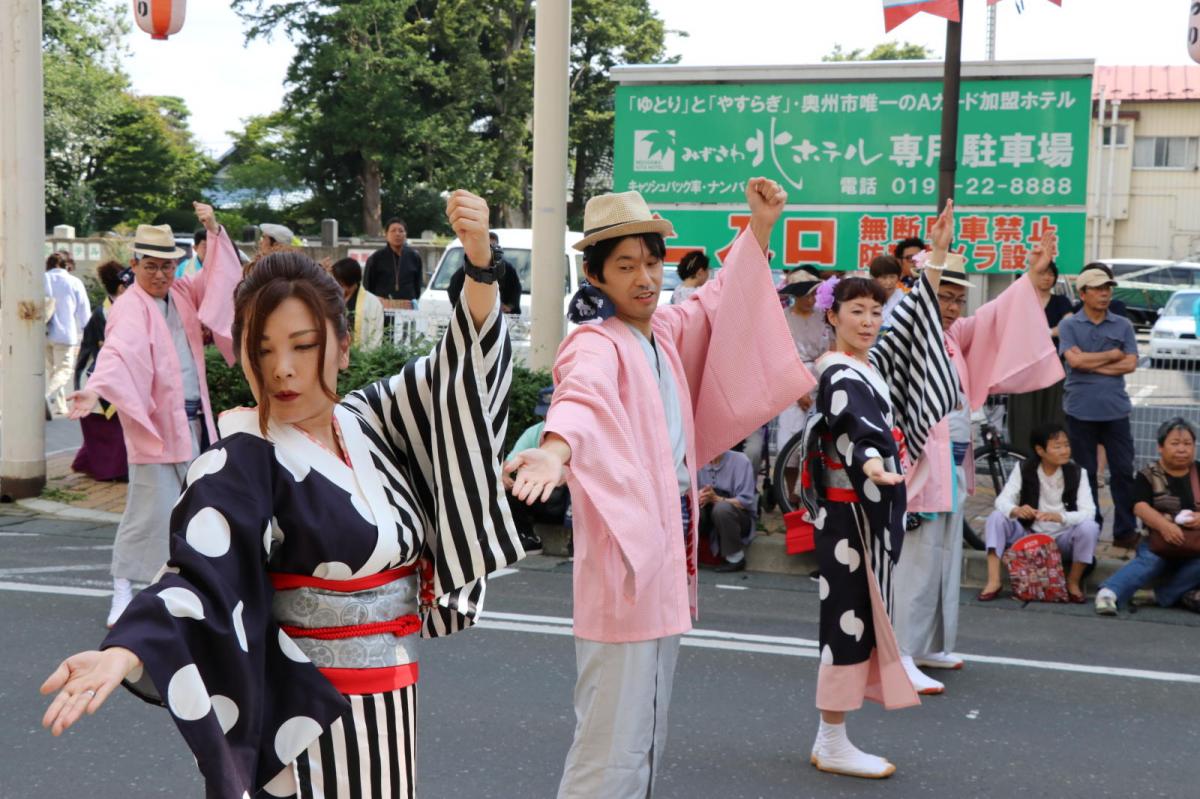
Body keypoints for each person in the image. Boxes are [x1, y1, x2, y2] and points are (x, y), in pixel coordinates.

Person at [40, 190, 525, 797]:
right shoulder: (242, 457)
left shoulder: (372, 420)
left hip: (394, 700)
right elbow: (199, 581)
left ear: (342, 347)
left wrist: (480, 264)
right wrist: (128, 651)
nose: (283, 370)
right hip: (308, 719)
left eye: (303, 345)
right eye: (262, 349)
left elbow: (463, 374)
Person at [505, 179, 813, 798]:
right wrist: (556, 448)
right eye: (625, 266)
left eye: (651, 262)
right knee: (611, 737)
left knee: (644, 725)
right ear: (595, 277)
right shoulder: (594, 342)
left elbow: (719, 299)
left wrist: (758, 228)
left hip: (663, 543)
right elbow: (581, 397)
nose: (644, 277)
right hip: (626, 555)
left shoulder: (662, 330)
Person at [892, 224, 1064, 694]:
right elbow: (920, 313)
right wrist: (939, 254)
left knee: (943, 552)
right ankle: (899, 651)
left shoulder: (953, 334)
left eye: (956, 299)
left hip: (951, 455)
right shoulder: (907, 329)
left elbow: (994, 317)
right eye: (944, 297)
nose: (952, 307)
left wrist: (1029, 278)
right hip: (921, 458)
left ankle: (925, 642)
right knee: (918, 557)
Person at [65, 204, 242, 627]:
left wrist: (214, 232)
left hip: (196, 424)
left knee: (201, 507)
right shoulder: (129, 306)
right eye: (151, 266)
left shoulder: (181, 294)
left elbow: (218, 282)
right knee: (148, 510)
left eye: (167, 266)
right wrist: (94, 390)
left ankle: (190, 587)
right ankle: (123, 589)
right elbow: (118, 353)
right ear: (134, 265)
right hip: (158, 428)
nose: (161, 274)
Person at [1058, 267, 1139, 547]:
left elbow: (1131, 363)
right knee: (1086, 473)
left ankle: (1125, 531)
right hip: (1080, 410)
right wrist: (1112, 356)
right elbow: (1075, 363)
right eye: (1097, 288)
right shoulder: (1069, 325)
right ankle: (1090, 527)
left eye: (1108, 288)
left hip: (1116, 409)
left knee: (1123, 471)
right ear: (1082, 294)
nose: (1105, 293)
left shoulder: (1123, 325)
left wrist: (1092, 364)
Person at [981, 422, 1099, 602]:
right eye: (1057, 447)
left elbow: (1089, 512)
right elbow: (1001, 500)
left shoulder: (1077, 473)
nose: (1065, 451)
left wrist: (1061, 517)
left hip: (1062, 541)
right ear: (1040, 450)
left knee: (1090, 527)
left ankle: (1073, 583)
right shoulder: (1023, 469)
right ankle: (993, 581)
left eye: (1066, 445)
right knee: (997, 517)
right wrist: (1017, 510)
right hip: (1029, 537)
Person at [1095, 418, 1200, 614]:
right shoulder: (1147, 474)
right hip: (1158, 541)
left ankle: (1161, 595)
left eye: (1187, 444)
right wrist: (1164, 525)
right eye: (1175, 444)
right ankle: (1109, 593)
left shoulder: (1198, 471)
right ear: (1161, 447)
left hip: (1195, 543)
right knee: (1151, 561)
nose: (1182, 449)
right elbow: (1139, 507)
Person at [70, 263, 135, 482]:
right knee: (111, 430)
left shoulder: (117, 308)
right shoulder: (104, 313)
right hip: (102, 377)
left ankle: (99, 465)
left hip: (110, 375)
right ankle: (111, 470)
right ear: (120, 288)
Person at [1007, 259, 1072, 455]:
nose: (1047, 278)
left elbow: (1067, 324)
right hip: (1024, 366)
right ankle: (1024, 456)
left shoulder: (1061, 301)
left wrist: (1046, 333)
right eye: (1042, 273)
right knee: (1024, 413)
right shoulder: (1021, 300)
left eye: (1051, 274)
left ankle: (1052, 454)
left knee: (1052, 413)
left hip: (1052, 365)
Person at [775, 266, 828, 505]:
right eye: (807, 295)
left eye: (814, 294)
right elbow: (779, 357)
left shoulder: (823, 316)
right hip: (792, 379)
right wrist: (798, 390)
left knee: (817, 440)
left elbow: (832, 346)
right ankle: (790, 491)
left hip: (820, 375)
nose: (811, 299)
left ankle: (812, 491)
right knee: (790, 441)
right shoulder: (784, 318)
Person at [504, 385, 565, 556]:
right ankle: (528, 538)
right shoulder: (533, 432)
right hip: (539, 494)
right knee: (512, 492)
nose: (548, 417)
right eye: (544, 413)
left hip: (565, 497)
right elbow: (509, 461)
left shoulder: (578, 431)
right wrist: (505, 475)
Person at [44, 251, 92, 418]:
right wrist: (89, 334)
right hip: (65, 334)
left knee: (53, 371)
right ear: (67, 265)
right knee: (64, 370)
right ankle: (47, 397)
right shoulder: (74, 282)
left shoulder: (41, 278)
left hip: (43, 333)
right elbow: (84, 313)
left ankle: (60, 406)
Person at [697, 448, 758, 572]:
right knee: (693, 508)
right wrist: (698, 496)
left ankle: (736, 558)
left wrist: (716, 498)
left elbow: (745, 501)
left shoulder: (741, 461)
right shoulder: (695, 461)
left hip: (738, 516)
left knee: (722, 508)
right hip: (708, 516)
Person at [447, 231, 523, 313]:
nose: (490, 250)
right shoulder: (471, 267)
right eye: (488, 246)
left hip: (500, 315)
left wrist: (510, 306)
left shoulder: (507, 268)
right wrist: (463, 309)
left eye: (493, 246)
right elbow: (453, 289)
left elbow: (516, 289)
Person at [364, 216, 425, 306]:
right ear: (386, 235)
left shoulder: (414, 257)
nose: (397, 234)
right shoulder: (376, 258)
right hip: (382, 309)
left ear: (406, 234)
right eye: (393, 231)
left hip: (407, 309)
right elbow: (368, 287)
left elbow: (417, 286)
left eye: (401, 231)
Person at [330, 257, 385, 350]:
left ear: (351, 281)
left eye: (341, 284)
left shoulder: (372, 302)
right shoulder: (329, 299)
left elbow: (376, 338)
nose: (337, 286)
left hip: (361, 359)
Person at [869, 254, 905, 327]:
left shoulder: (904, 299)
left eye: (892, 277)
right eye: (883, 277)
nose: (888, 282)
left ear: (898, 276)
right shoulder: (868, 298)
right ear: (874, 278)